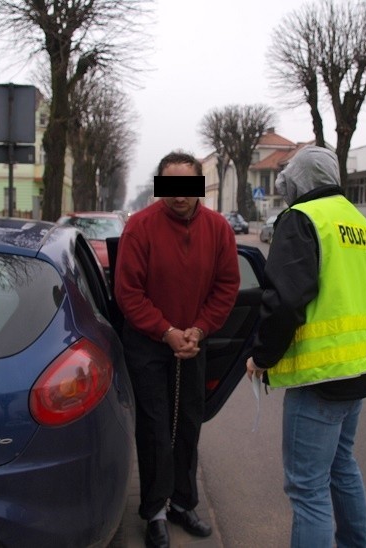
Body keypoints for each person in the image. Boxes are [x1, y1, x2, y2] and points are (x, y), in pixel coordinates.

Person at [246, 145, 366, 548]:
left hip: (319, 377)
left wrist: (262, 356)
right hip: (357, 370)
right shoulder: (359, 223)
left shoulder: (302, 218)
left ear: (300, 180)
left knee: (307, 489)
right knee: (342, 468)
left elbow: (284, 299)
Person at [114, 151, 240, 548]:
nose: (180, 196)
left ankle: (184, 503)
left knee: (187, 426)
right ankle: (154, 510)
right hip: (149, 344)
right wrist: (166, 330)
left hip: (193, 344)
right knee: (154, 429)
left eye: (188, 187)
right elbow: (127, 293)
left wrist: (199, 331)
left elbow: (227, 287)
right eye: (172, 187)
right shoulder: (140, 227)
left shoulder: (219, 229)